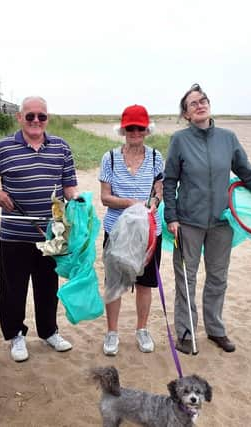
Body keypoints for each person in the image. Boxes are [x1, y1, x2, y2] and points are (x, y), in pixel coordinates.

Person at [163, 83, 251, 355]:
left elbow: (248, 174)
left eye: (203, 100)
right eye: (193, 104)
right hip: (188, 222)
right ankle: (186, 333)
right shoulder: (179, 140)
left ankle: (215, 329)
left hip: (222, 222)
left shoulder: (228, 138)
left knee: (217, 278)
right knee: (185, 279)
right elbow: (170, 181)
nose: (200, 105)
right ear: (186, 115)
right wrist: (171, 216)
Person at [0, 96, 78, 362]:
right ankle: (15, 335)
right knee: (14, 289)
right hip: (14, 234)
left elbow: (69, 186)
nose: (36, 121)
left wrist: (77, 205)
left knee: (48, 287)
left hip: (50, 234)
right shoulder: (3, 147)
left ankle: (49, 332)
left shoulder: (61, 147)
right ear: (19, 117)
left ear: (48, 118)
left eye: (41, 116)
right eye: (30, 116)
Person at [99, 104, 164, 356]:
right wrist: (132, 204)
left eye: (140, 128)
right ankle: (112, 332)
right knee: (114, 282)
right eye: (130, 128)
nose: (135, 132)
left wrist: (153, 204)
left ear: (147, 130)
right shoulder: (110, 158)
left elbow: (159, 191)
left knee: (145, 284)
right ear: (123, 130)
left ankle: (142, 329)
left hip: (148, 232)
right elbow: (105, 197)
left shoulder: (157, 157)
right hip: (116, 231)